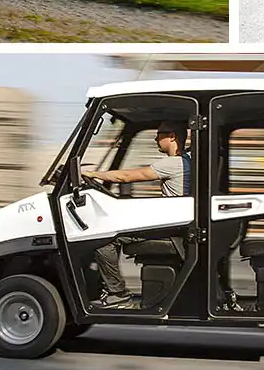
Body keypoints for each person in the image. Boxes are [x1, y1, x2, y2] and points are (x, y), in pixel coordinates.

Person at [81, 121, 191, 309]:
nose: (156, 138)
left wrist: (91, 173)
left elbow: (126, 176)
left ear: (172, 136)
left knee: (104, 240)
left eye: (160, 134)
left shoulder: (174, 163)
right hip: (178, 223)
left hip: (172, 227)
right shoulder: (187, 160)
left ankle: (117, 294)